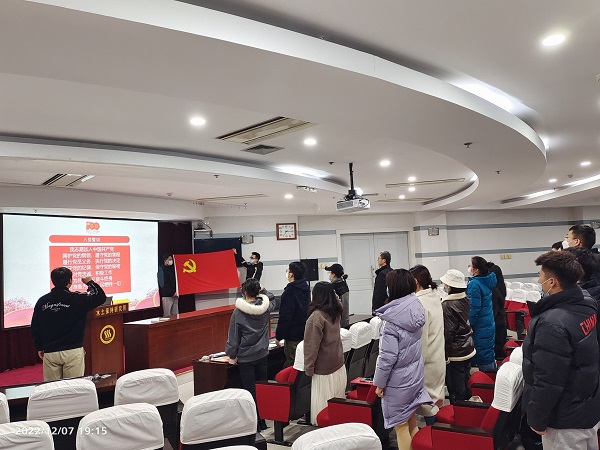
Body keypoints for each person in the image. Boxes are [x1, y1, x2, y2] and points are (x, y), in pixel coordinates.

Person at [522, 251, 600, 450]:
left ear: (552, 282)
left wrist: (537, 418)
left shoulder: (552, 323)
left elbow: (548, 379)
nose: (538, 280)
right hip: (587, 407)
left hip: (564, 419)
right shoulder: (586, 302)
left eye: (540, 275)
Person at [373, 269, 432, 450]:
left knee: (401, 426)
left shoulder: (391, 319)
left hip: (398, 381)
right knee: (411, 421)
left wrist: (379, 383)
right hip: (414, 376)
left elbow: (387, 357)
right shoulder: (416, 307)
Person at [31, 267, 106, 381]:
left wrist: (39, 347)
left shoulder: (42, 301)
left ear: (53, 281)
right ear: (70, 281)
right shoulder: (77, 299)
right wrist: (90, 282)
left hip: (50, 351)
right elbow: (100, 297)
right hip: (73, 350)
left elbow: (35, 326)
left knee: (52, 387)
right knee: (73, 386)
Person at [225, 278, 275, 432]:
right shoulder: (265, 307)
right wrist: (263, 290)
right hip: (262, 354)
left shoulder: (239, 311)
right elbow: (272, 298)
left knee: (250, 390)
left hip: (246, 357)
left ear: (244, 291)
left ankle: (256, 421)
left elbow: (234, 336)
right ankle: (263, 419)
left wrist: (231, 354)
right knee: (262, 386)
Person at [303, 282, 347, 425]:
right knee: (337, 407)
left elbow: (311, 347)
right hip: (338, 364)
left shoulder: (316, 317)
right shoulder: (336, 311)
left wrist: (308, 368)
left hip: (323, 369)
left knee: (322, 408)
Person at [409, 265, 445, 426]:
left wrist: (414, 367)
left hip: (427, 361)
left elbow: (421, 340)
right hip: (438, 356)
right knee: (435, 400)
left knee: (428, 404)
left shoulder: (420, 303)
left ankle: (434, 434)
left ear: (416, 281)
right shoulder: (434, 296)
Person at [440, 269, 476, 404]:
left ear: (450, 286)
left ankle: (459, 410)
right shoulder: (464, 298)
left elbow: (448, 333)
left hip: (455, 352)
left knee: (455, 388)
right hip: (467, 346)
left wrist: (444, 356)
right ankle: (467, 408)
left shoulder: (447, 305)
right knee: (465, 381)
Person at [275, 261, 311, 367]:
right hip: (304, 330)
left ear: (291, 274)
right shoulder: (305, 287)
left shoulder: (289, 291)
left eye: (288, 270)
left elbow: (285, 316)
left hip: (292, 334)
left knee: (292, 363)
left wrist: (279, 335)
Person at [465, 256, 496, 371]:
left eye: (470, 265)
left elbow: (473, 309)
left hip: (480, 325)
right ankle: (491, 375)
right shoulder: (486, 280)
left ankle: (487, 378)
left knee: (482, 354)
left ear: (476, 269)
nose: (469, 267)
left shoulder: (475, 284)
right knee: (487, 351)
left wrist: (468, 326)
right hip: (487, 322)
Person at [486, 260, 508, 359]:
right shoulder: (500, 287)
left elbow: (492, 313)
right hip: (500, 323)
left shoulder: (494, 291)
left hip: (496, 326)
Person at [325, 263, 350, 327]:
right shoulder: (344, 284)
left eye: (330, 273)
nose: (329, 275)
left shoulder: (332, 287)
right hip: (345, 319)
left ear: (334, 274)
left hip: (337, 322)